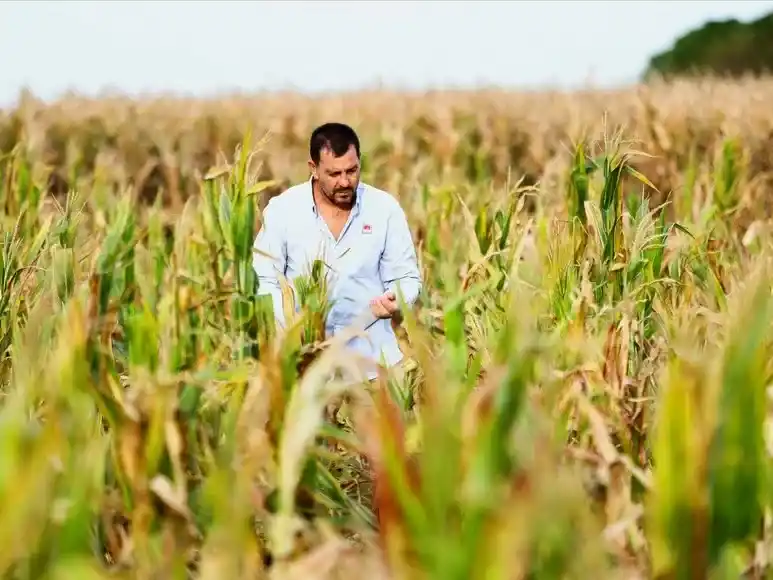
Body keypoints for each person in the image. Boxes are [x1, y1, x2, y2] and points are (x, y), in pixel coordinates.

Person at [252, 122, 422, 381]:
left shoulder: (384, 209)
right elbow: (264, 280)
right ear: (314, 168)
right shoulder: (282, 211)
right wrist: (292, 326)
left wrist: (397, 299)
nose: (345, 182)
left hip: (372, 367)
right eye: (334, 174)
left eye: (352, 171)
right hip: (304, 368)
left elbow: (406, 278)